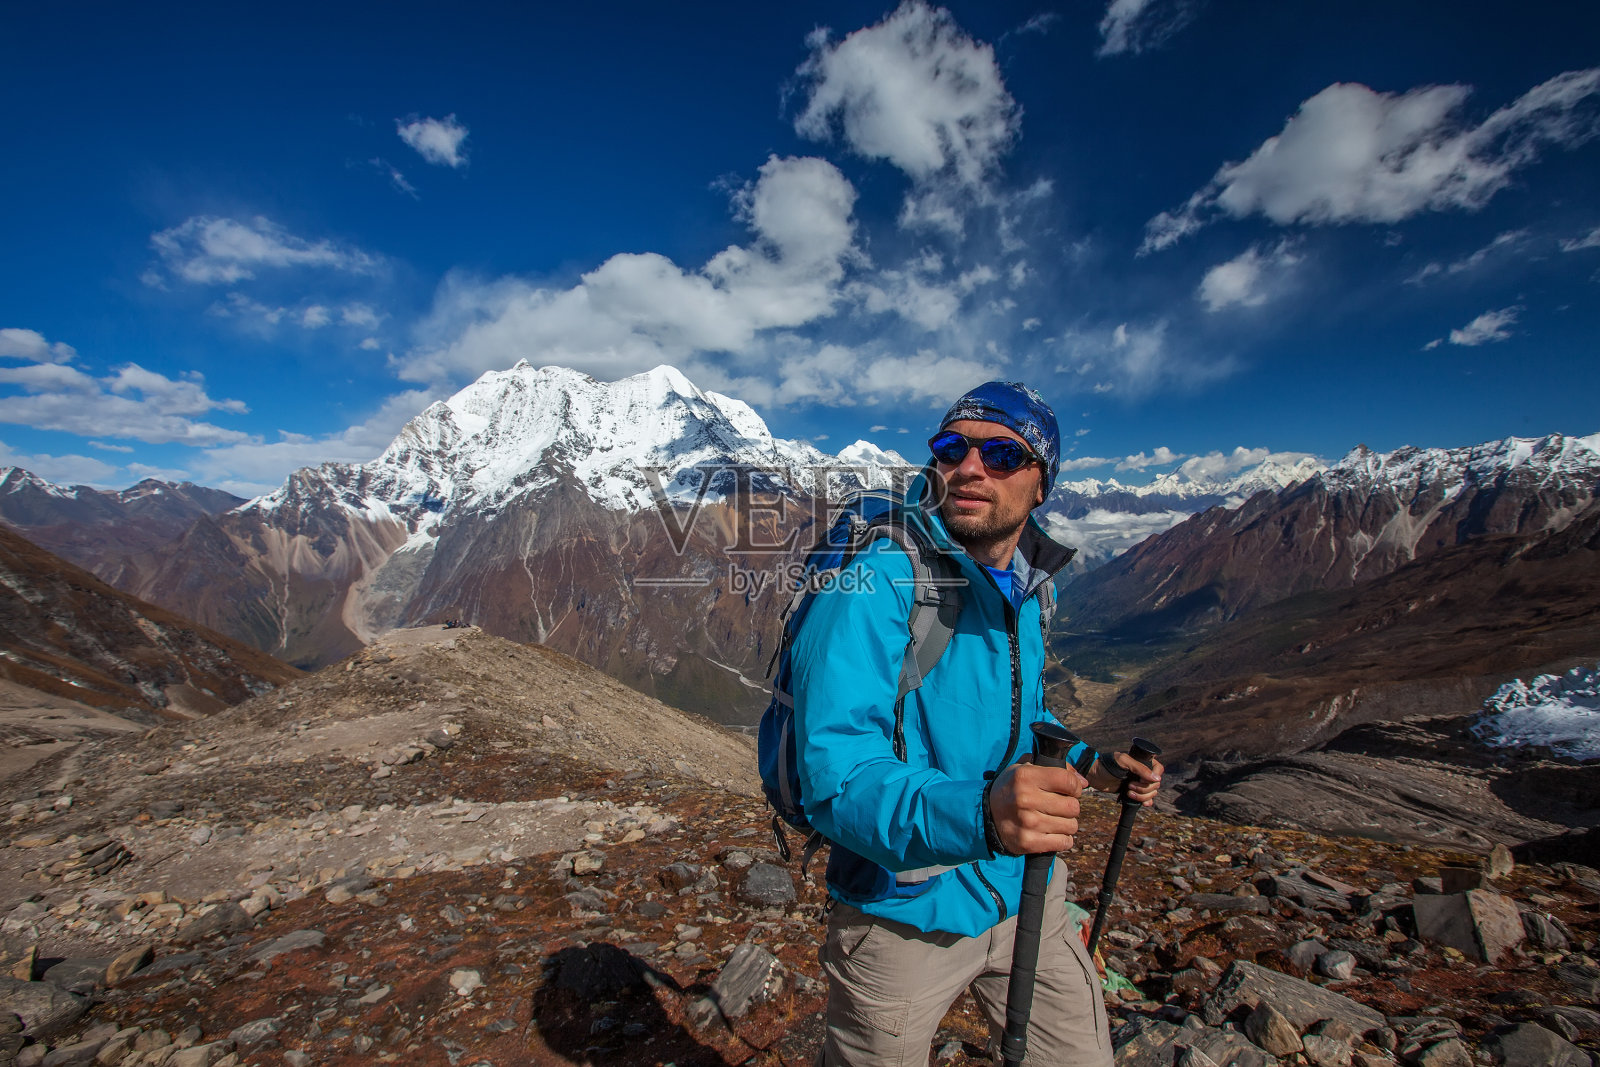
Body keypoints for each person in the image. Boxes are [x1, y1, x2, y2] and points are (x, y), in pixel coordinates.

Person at [790, 381, 1163, 1065]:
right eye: (952, 448)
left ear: (1041, 483)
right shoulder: (880, 577)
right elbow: (834, 775)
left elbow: (1025, 718)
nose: (970, 467)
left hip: (1026, 894)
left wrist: (1090, 763)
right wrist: (983, 815)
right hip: (901, 918)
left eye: (1001, 454)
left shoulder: (1023, 583)